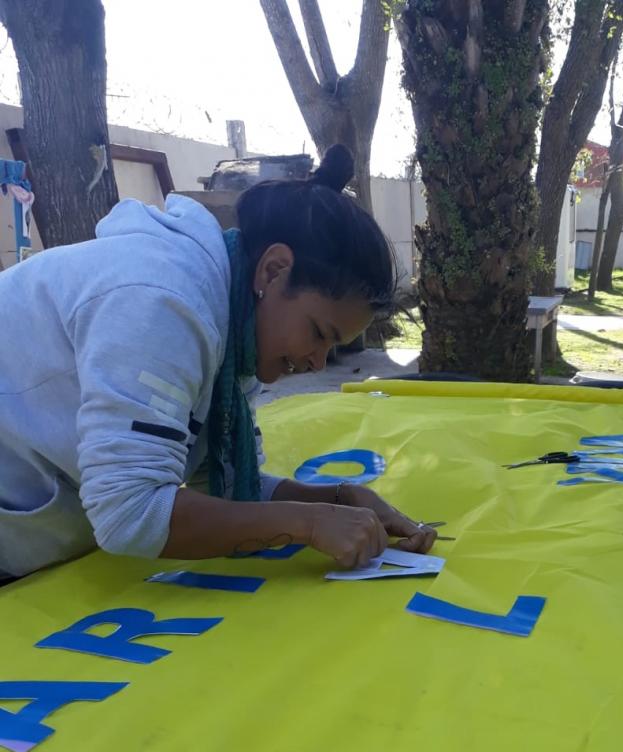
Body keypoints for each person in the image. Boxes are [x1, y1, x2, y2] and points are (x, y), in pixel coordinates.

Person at [0, 145, 437, 580]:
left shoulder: (236, 331)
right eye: (319, 334)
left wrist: (338, 500)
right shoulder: (163, 302)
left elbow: (228, 484)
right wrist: (308, 523)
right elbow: (130, 513)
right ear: (272, 271)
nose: (319, 363)